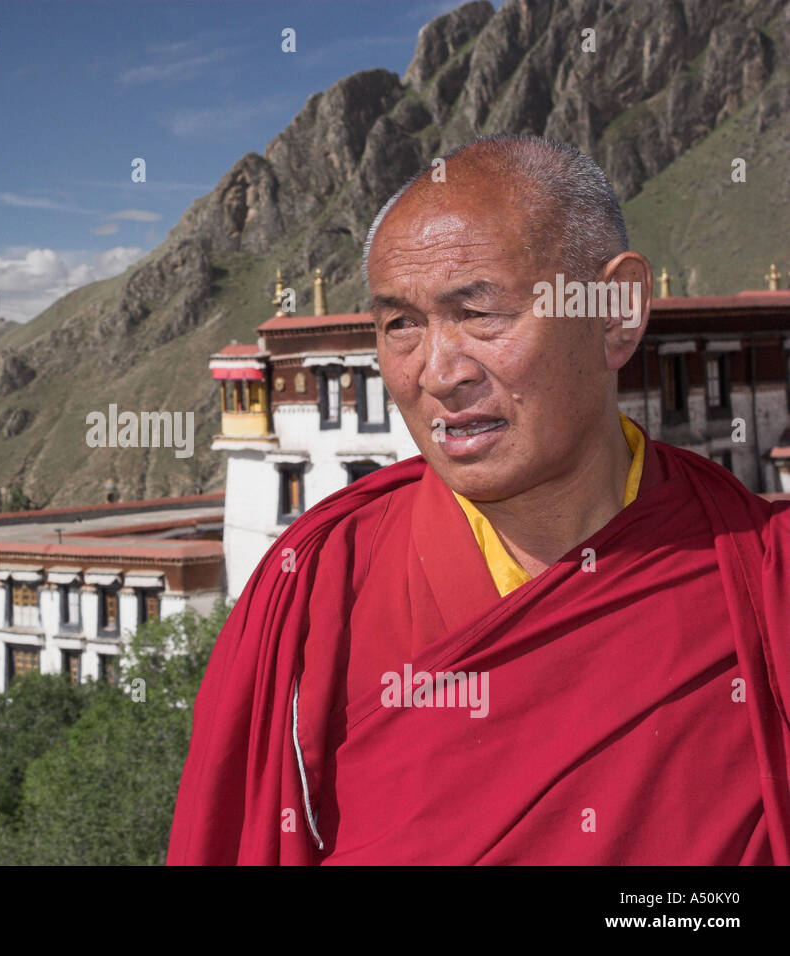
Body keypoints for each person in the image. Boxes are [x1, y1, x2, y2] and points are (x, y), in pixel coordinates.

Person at [166, 135, 790, 865]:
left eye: (482, 312)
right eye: (401, 323)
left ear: (616, 310)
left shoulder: (765, 577)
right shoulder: (310, 595)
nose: (437, 373)